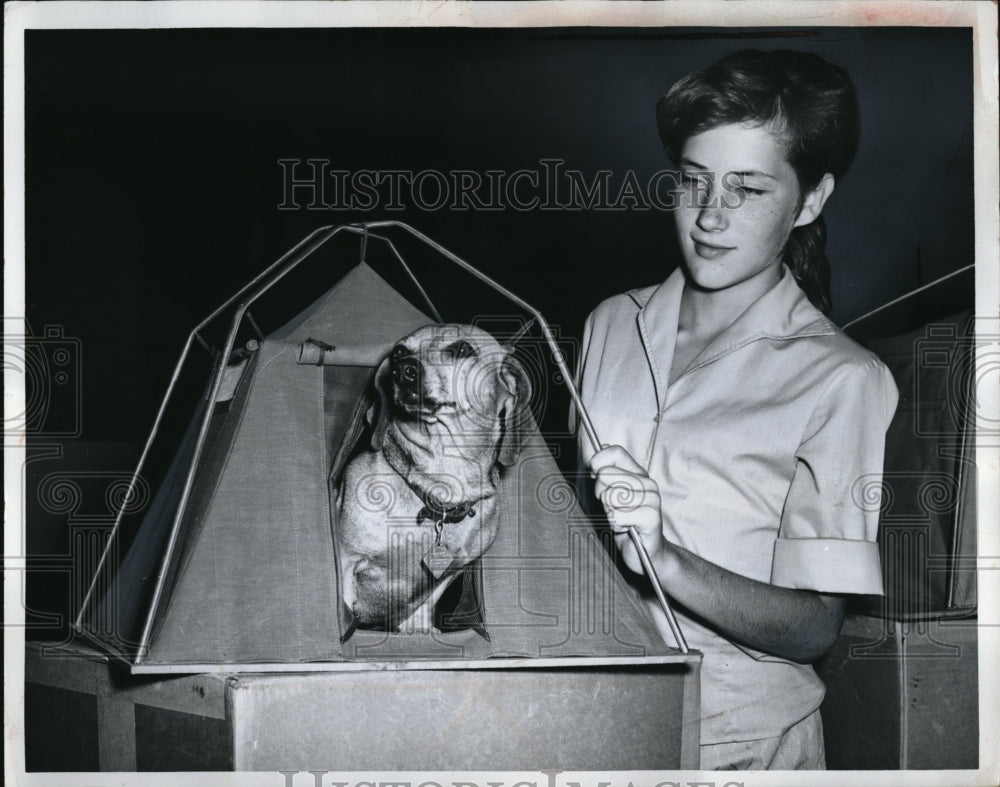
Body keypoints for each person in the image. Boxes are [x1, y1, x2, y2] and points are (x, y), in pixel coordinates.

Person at [575, 49, 899, 770]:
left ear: (810, 201)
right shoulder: (609, 325)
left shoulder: (842, 378)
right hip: (597, 726)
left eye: (747, 189)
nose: (709, 216)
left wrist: (666, 558)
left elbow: (815, 626)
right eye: (694, 180)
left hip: (742, 749)